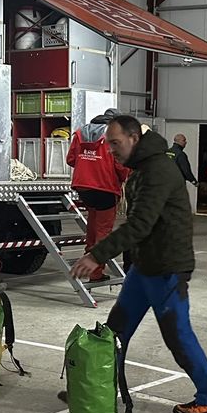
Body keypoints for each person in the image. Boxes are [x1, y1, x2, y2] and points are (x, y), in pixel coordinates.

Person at [69, 116, 207, 413]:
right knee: (114, 331)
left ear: (134, 138)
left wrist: (96, 256)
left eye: (115, 144)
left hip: (167, 267)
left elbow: (140, 224)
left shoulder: (158, 169)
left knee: (178, 336)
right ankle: (99, 386)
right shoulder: (141, 167)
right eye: (108, 144)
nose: (110, 150)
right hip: (144, 267)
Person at [67, 108, 131, 282]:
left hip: (83, 187)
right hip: (105, 188)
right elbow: (121, 165)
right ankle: (95, 273)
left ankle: (90, 265)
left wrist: (87, 168)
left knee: (93, 228)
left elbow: (71, 159)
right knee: (103, 233)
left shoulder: (80, 133)